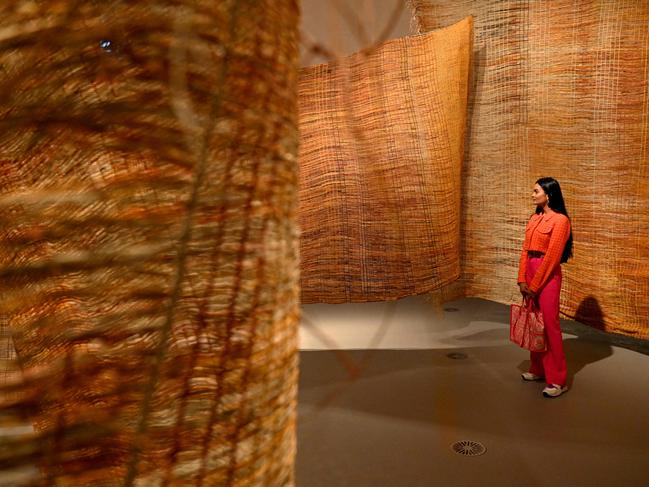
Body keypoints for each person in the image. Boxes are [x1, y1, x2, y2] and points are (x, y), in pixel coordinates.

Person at [517, 177, 573, 398]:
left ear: (548, 194)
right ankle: (537, 369)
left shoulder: (560, 221)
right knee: (534, 323)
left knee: (549, 325)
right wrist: (522, 279)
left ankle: (557, 380)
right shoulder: (534, 218)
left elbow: (552, 257)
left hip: (547, 275)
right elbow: (524, 250)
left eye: (536, 191)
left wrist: (535, 284)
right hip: (530, 270)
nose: (532, 194)